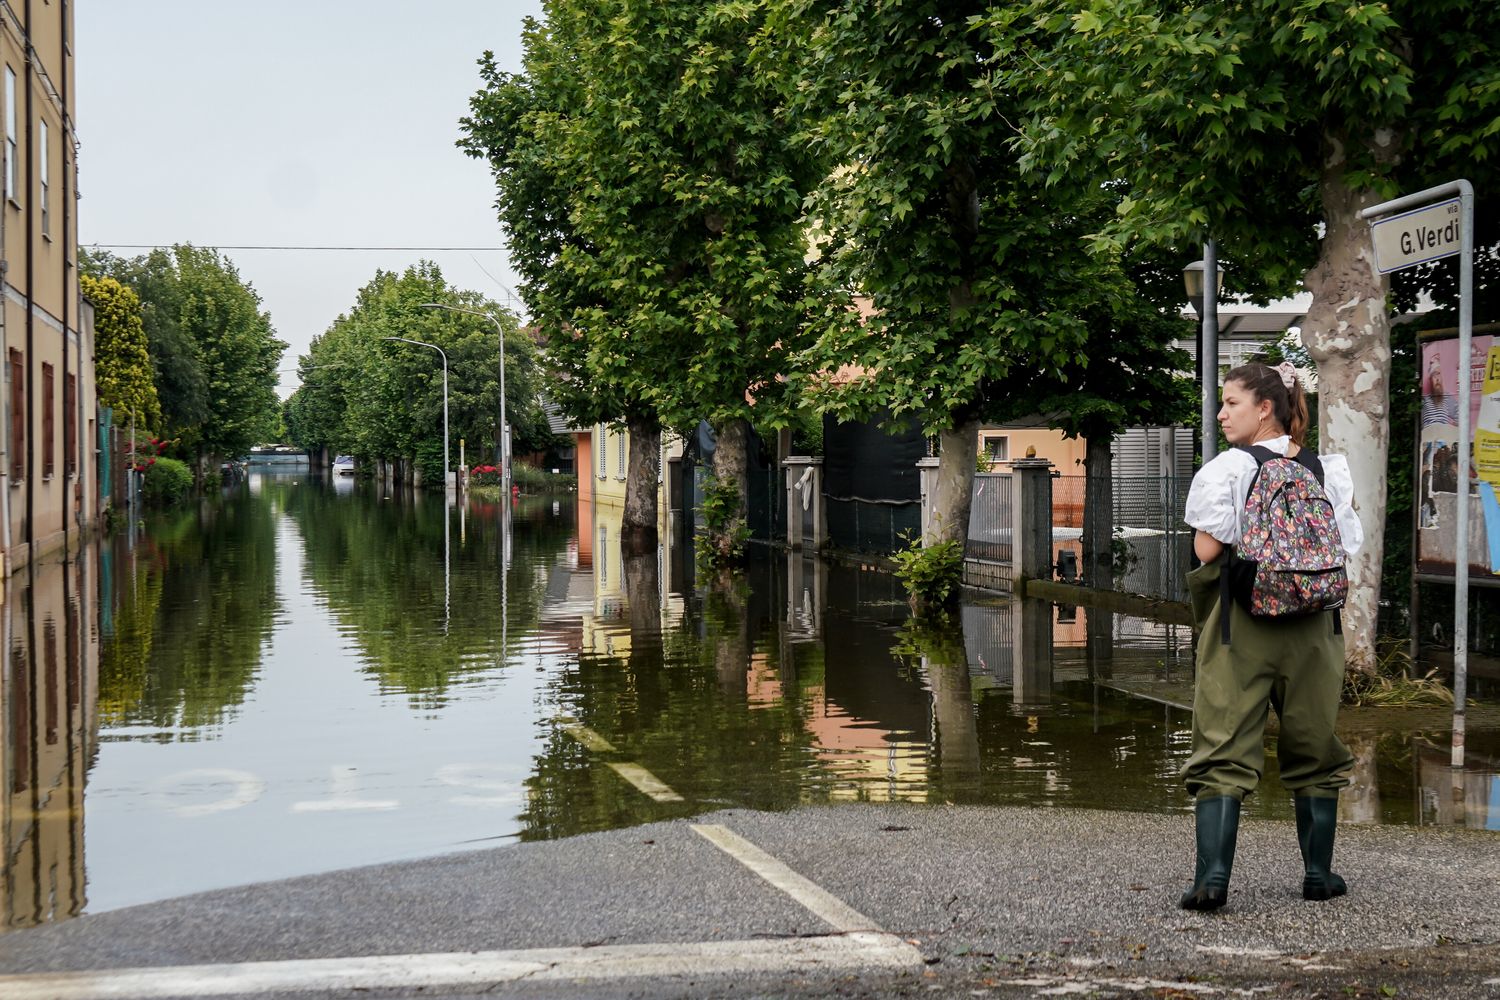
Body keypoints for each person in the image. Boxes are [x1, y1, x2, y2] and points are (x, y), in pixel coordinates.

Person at [1178, 361, 1364, 911]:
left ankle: (1212, 880)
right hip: (1316, 629)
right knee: (1314, 745)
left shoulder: (1229, 468)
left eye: (1230, 402)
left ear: (1264, 408)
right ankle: (1318, 876)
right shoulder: (1326, 468)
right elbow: (1345, 547)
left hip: (1245, 624)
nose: (1220, 413)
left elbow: (1207, 553)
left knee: (1223, 747)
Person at [1421, 358, 1459, 427]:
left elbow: (1460, 416)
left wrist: (1454, 427)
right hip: (1428, 434)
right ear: (1430, 380)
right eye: (1434, 375)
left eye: (1438, 374)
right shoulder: (1425, 399)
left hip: (1443, 434)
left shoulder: (1447, 397)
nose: (1437, 378)